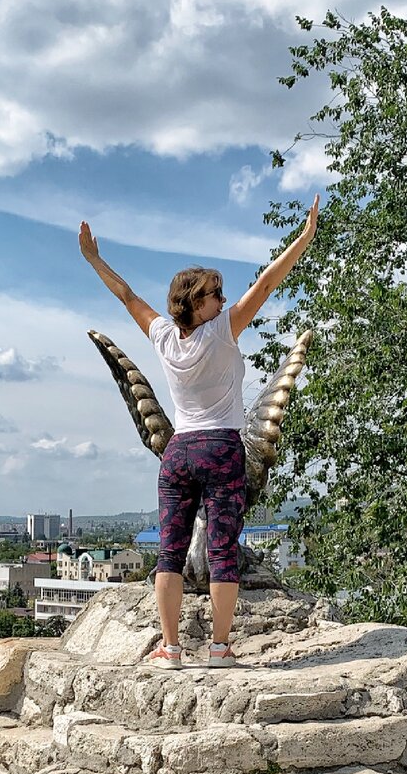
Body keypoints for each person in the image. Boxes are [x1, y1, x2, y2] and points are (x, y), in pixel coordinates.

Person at [78, 195, 319, 669]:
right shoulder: (223, 330)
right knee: (222, 550)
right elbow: (268, 282)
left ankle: (170, 649)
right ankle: (220, 648)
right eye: (216, 293)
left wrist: (94, 259)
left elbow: (127, 296)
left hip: (179, 452)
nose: (224, 299)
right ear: (196, 303)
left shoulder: (165, 336)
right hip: (221, 447)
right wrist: (304, 238)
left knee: (169, 553)